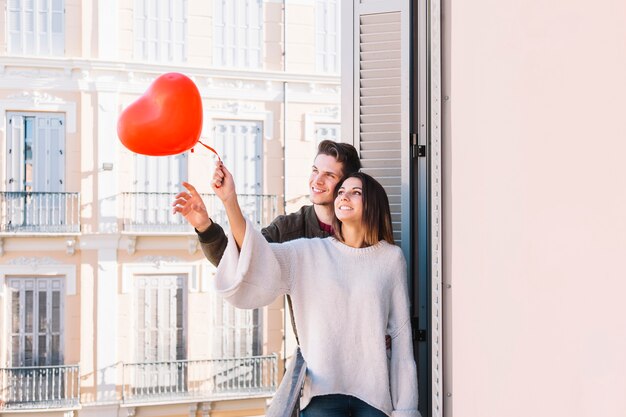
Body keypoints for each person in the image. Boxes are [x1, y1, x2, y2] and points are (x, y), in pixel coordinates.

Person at [206, 163, 419, 417]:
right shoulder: (307, 253)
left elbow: (402, 339)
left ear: (373, 203)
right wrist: (230, 201)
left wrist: (406, 409)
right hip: (321, 396)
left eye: (356, 192)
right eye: (341, 192)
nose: (343, 196)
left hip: (375, 397)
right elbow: (257, 255)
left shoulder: (391, 259)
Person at [172, 140, 361, 266]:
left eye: (329, 175)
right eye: (315, 170)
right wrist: (204, 226)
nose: (317, 181)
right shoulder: (288, 229)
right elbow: (237, 263)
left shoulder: (365, 228)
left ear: (347, 182)